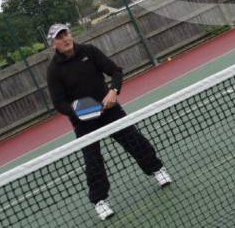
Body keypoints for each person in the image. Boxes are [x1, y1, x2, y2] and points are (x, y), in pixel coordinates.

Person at [46, 23, 172, 221]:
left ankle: (157, 170)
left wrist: (114, 91)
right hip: (84, 123)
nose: (65, 39)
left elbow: (116, 71)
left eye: (66, 34)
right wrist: (79, 111)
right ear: (53, 43)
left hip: (109, 110)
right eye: (59, 37)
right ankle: (99, 201)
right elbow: (59, 103)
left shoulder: (89, 51)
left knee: (135, 141)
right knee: (93, 161)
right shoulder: (54, 70)